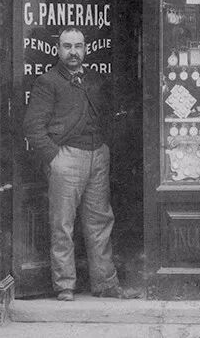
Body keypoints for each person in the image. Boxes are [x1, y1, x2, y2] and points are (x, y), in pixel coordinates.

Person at [23, 26, 138, 301]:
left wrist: (105, 147)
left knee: (100, 221)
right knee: (62, 223)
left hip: (98, 155)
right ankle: (64, 285)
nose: (73, 52)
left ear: (85, 49)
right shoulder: (48, 82)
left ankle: (105, 283)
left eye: (78, 46)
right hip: (67, 158)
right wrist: (55, 158)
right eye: (67, 46)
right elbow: (32, 126)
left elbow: (110, 115)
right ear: (58, 50)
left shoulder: (95, 79)